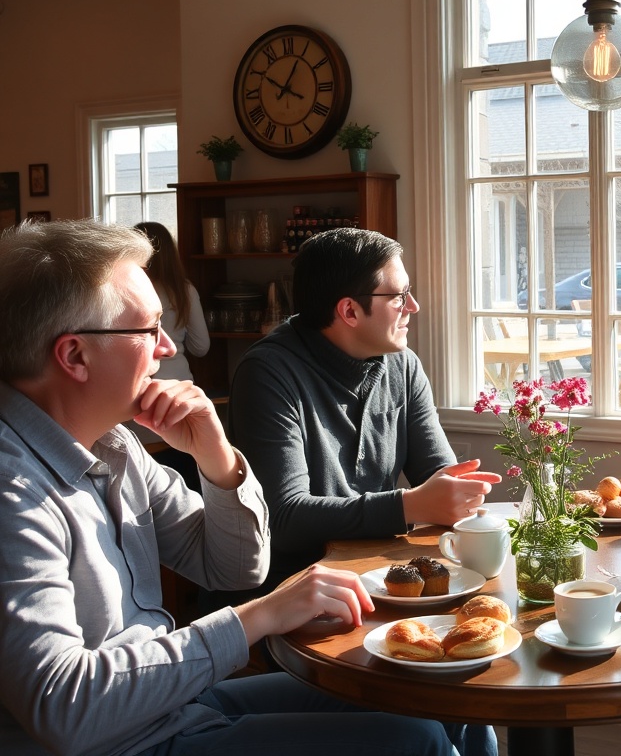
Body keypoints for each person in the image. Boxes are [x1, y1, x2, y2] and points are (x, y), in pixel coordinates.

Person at [0, 219, 482, 756]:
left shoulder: (116, 447)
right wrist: (262, 614)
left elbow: (232, 566)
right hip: (121, 742)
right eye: (147, 330)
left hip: (171, 707)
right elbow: (63, 710)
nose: (166, 348)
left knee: (446, 695)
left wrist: (217, 458)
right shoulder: (13, 490)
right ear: (74, 356)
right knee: (414, 742)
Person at [228, 228, 502, 588]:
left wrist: (457, 494)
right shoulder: (267, 374)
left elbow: (441, 478)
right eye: (400, 296)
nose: (413, 306)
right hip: (294, 588)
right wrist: (410, 506)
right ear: (350, 311)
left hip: (378, 575)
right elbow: (282, 519)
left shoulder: (403, 365)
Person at [130, 221, 211, 488]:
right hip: (178, 395)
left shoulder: (129, 290)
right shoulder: (184, 290)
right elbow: (202, 347)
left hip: (134, 395)